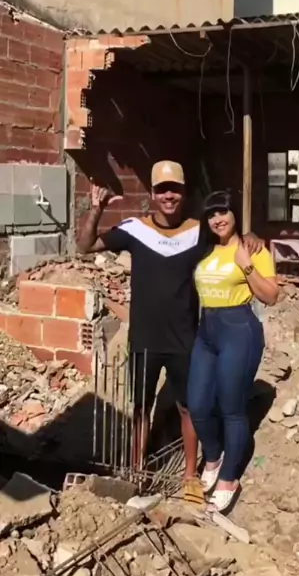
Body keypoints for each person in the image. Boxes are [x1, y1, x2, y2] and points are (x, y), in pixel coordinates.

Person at [78, 162, 262, 505]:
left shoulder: (198, 232)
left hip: (184, 338)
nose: (168, 195)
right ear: (152, 193)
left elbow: (230, 237)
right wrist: (96, 209)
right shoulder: (135, 230)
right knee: (140, 407)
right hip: (144, 339)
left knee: (188, 408)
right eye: (162, 189)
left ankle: (190, 474)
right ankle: (137, 469)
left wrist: (251, 236)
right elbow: (84, 246)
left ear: (184, 192)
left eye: (174, 189)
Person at [187, 190, 279, 514]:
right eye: (212, 214)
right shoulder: (204, 249)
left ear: (235, 213)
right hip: (207, 331)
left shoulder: (253, 250)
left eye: (223, 211)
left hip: (239, 331)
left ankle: (229, 479)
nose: (218, 219)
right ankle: (213, 456)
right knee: (198, 405)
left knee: (231, 407)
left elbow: (271, 296)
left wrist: (247, 266)